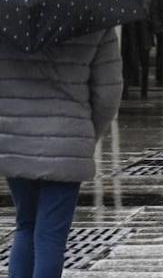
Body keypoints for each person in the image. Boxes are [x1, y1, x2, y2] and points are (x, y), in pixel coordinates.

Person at [0, 28, 123, 278]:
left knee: (25, 225)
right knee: (51, 235)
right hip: (68, 143)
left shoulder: (6, 18)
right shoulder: (95, 21)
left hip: (15, 138)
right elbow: (108, 94)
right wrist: (86, 134)